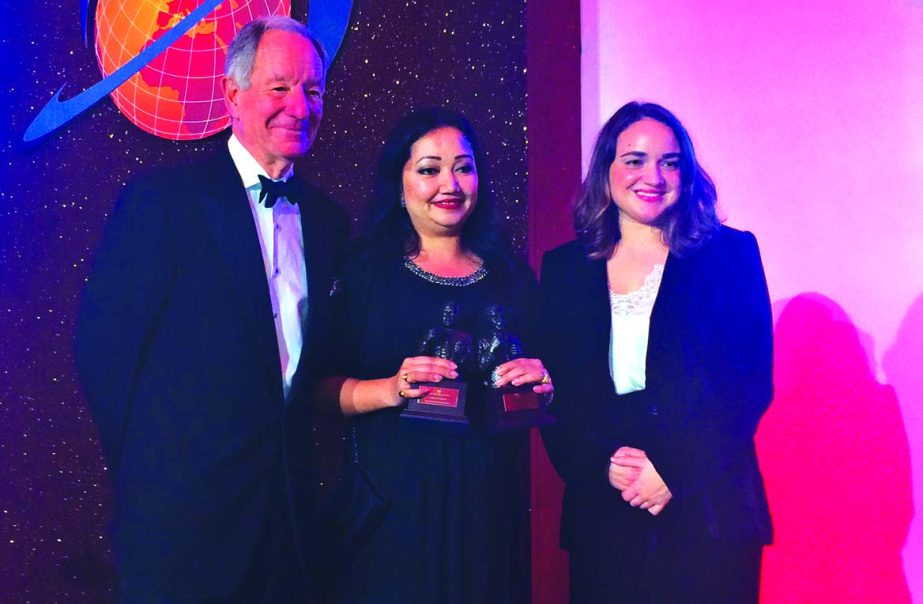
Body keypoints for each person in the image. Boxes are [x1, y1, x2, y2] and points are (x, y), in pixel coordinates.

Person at [74, 16, 348, 602]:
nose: (299, 106)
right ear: (233, 94)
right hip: (181, 534)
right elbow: (104, 356)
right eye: (280, 87)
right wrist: (160, 478)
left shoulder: (327, 223)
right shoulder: (162, 204)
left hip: (288, 538)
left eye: (313, 90)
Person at [539, 101, 773, 603]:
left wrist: (673, 468)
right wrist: (600, 463)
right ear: (606, 170)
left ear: (687, 174)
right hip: (605, 508)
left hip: (709, 506)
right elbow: (556, 392)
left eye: (670, 162)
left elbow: (749, 383)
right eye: (635, 160)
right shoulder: (563, 269)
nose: (654, 176)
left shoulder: (730, 256)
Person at [319, 107, 552, 604]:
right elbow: (317, 391)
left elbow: (551, 387)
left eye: (463, 167)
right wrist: (389, 388)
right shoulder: (364, 274)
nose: (449, 182)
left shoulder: (513, 277)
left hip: (490, 515)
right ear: (399, 183)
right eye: (429, 169)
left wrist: (543, 382)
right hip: (391, 514)